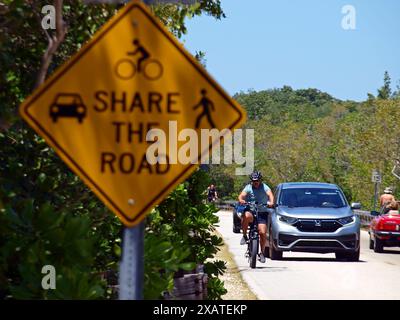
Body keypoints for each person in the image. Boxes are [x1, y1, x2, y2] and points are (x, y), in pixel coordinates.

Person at [237, 171, 274, 263]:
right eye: (253, 181)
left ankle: (261, 253)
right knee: (245, 216)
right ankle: (245, 235)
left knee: (263, 232)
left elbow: (270, 195)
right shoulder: (248, 187)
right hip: (251, 211)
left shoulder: (265, 187)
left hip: (262, 212)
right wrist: (241, 200)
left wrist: (271, 203)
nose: (255, 182)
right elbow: (241, 196)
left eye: (257, 180)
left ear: (260, 180)